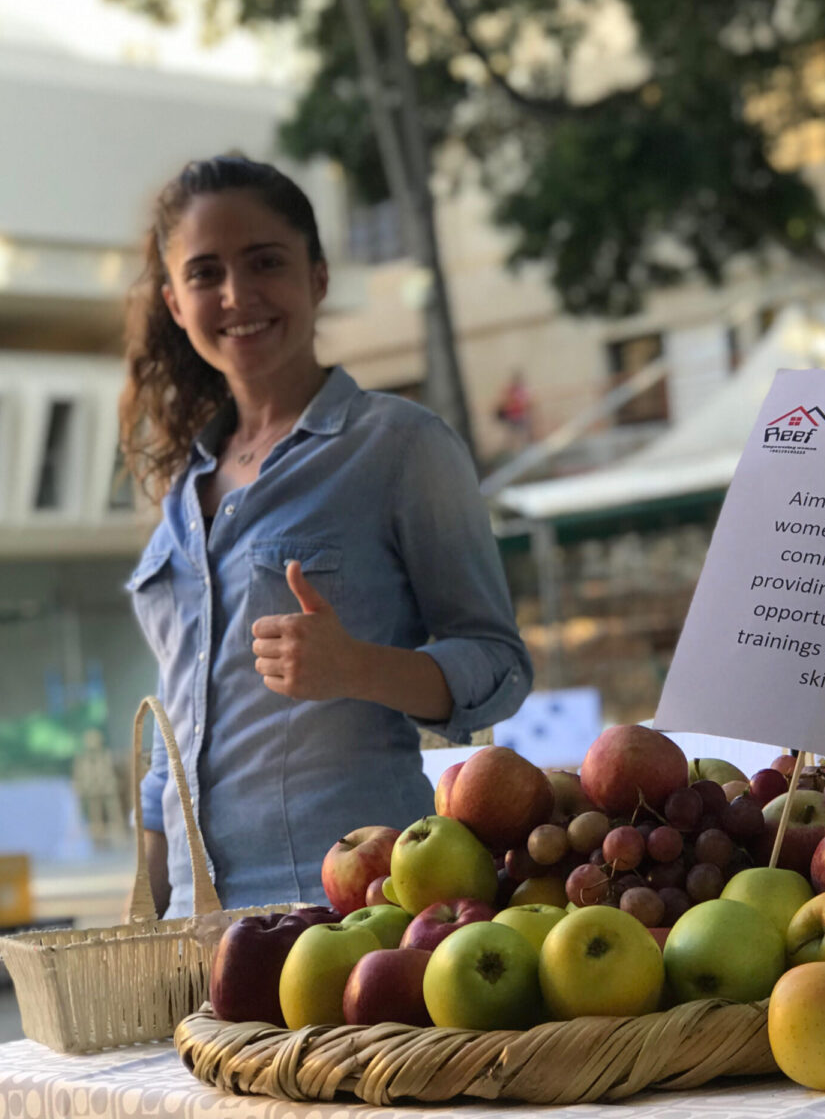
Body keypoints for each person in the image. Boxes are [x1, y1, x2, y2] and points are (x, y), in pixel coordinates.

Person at [121, 155, 532, 917]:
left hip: (351, 916)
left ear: (317, 277)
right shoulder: (184, 492)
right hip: (190, 932)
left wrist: (359, 667)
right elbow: (169, 751)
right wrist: (145, 917)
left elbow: (499, 666)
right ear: (176, 302)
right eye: (206, 273)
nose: (237, 295)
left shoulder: (400, 448)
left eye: (265, 262)